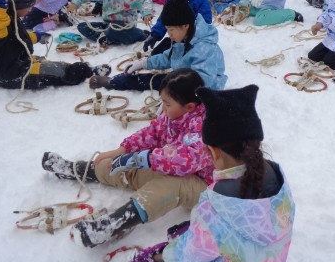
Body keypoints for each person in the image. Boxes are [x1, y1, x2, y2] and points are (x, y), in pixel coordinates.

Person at [125, 84, 295, 262]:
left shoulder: (215, 207)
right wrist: (200, 228)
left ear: (213, 152)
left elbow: (187, 255)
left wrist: (157, 257)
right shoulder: (279, 184)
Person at [42, 68, 213, 248]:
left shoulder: (206, 125)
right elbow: (153, 132)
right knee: (128, 168)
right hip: (174, 169)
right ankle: (76, 170)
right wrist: (123, 150)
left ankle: (113, 225)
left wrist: (143, 158)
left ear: (190, 107)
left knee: (172, 185)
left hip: (205, 187)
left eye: (167, 104)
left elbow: (186, 161)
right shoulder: (174, 115)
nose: (163, 108)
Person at [0, 0, 108, 89]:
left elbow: (15, 38)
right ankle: (83, 72)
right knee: (53, 71)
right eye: (28, 6)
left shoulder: (11, 17)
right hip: (10, 73)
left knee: (44, 63)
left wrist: (35, 36)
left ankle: (75, 68)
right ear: (16, 6)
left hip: (11, 64)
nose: (31, 9)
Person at [95, 0, 226, 92]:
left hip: (203, 90)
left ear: (185, 25)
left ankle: (118, 82)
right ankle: (120, 80)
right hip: (185, 78)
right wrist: (144, 63)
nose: (169, 34)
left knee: (158, 82)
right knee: (158, 78)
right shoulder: (185, 38)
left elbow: (202, 84)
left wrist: (174, 100)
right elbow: (168, 57)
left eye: (171, 30)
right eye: (168, 30)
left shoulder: (205, 49)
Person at [143, 0, 212, 54]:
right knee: (156, 55)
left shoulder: (201, 2)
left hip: (196, 42)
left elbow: (205, 25)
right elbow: (165, 19)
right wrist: (155, 35)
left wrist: (188, 34)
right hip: (177, 38)